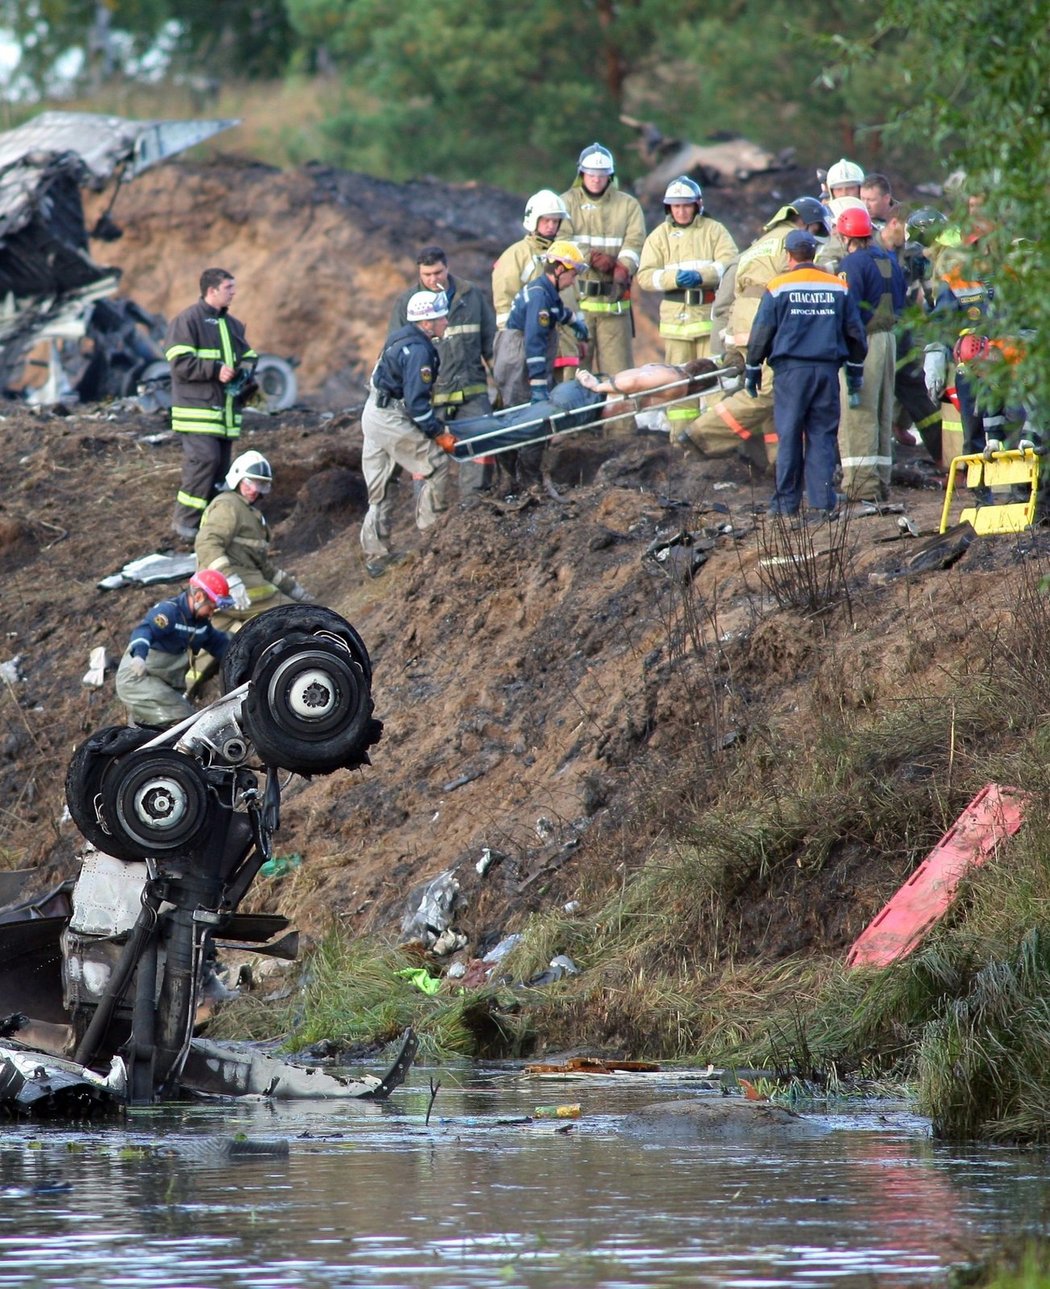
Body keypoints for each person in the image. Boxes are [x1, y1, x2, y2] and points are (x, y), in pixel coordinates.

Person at [679, 197, 830, 471]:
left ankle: (779, 461)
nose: (816, 235)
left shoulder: (760, 243)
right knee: (767, 392)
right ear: (808, 222)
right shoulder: (794, 241)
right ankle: (701, 436)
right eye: (817, 228)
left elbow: (732, 288)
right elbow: (808, 276)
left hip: (745, 318)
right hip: (768, 317)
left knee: (778, 388)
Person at [744, 230, 868, 520]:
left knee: (788, 436)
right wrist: (855, 369)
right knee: (822, 436)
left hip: (791, 374)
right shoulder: (837, 286)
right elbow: (855, 332)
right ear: (813, 254)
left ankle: (786, 504)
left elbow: (762, 331)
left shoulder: (778, 287)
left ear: (788, 255)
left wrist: (752, 367)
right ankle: (821, 503)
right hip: (826, 371)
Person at [442, 358, 726, 461]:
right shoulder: (677, 382)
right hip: (587, 400)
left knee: (512, 420)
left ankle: (454, 435)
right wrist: (599, 386)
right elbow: (634, 381)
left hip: (578, 395)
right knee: (517, 430)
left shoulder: (670, 368)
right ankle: (455, 440)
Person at [388, 245, 496, 499]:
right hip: (429, 395)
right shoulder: (406, 303)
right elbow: (395, 352)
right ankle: (429, 516)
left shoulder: (471, 296)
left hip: (471, 390)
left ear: (447, 268)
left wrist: (502, 386)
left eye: (437, 272)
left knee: (480, 446)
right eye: (426, 275)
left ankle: (476, 508)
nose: (432, 279)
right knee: (424, 454)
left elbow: (491, 345)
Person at [635, 176, 738, 438]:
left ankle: (718, 440)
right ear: (668, 208)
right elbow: (645, 276)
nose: (681, 211)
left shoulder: (714, 230)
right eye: (676, 206)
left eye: (686, 205)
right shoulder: (659, 237)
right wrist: (673, 279)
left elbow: (731, 263)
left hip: (708, 321)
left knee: (715, 381)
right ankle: (680, 440)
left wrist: (703, 276)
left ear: (697, 205)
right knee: (678, 386)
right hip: (676, 324)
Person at [359, 290, 452, 577]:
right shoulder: (420, 351)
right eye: (441, 317)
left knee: (381, 487)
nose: (446, 322)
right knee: (437, 464)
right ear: (426, 323)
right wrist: (438, 433)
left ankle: (376, 556)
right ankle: (432, 536)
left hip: (373, 410)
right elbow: (417, 405)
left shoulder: (399, 336)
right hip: (390, 416)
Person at [165, 268, 257, 541]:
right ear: (212, 290)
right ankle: (185, 524)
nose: (234, 292)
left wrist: (246, 373)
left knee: (220, 471)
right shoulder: (187, 321)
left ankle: (211, 525)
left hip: (225, 413)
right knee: (204, 460)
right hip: (197, 412)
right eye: (229, 287)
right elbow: (179, 362)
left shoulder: (233, 325)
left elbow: (250, 356)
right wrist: (215, 369)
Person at [491, 240, 588, 491]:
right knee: (530, 420)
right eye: (572, 274)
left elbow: (556, 310)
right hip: (519, 360)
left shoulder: (544, 291)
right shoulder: (539, 297)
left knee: (527, 416)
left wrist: (573, 320)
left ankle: (518, 476)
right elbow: (534, 342)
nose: (573, 280)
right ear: (559, 270)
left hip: (516, 355)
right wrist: (537, 384)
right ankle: (524, 481)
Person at [560, 142, 646, 395]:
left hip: (614, 303)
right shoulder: (566, 203)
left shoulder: (628, 205)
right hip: (578, 304)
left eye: (601, 175)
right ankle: (576, 431)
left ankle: (621, 430)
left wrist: (624, 267)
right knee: (576, 373)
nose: (596, 179)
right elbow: (562, 240)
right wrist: (595, 258)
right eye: (591, 174)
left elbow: (635, 242)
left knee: (618, 373)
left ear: (610, 175)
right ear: (581, 174)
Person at [836, 205, 908, 505]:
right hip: (889, 339)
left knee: (859, 412)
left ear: (844, 236)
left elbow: (847, 308)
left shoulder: (851, 264)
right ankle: (880, 481)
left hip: (864, 343)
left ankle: (861, 486)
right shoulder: (889, 259)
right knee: (882, 411)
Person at [195, 450, 312, 630]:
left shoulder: (250, 514)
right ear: (237, 479)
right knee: (295, 614)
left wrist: (295, 590)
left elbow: (262, 565)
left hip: (239, 588)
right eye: (250, 483)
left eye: (261, 485)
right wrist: (231, 581)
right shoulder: (228, 505)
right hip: (232, 589)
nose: (255, 490)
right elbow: (206, 543)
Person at [115, 570, 234, 728]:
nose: (213, 612)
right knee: (185, 719)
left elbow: (218, 644)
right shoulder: (169, 612)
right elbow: (144, 631)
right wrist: (139, 656)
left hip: (164, 683)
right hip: (138, 678)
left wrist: (239, 653)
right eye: (211, 606)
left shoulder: (201, 625)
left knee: (149, 730)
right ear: (198, 597)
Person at [492, 190, 583, 387]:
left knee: (567, 403)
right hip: (531, 347)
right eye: (546, 220)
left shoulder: (565, 254)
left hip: (565, 346)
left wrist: (578, 338)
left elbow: (574, 298)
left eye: (555, 221)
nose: (551, 226)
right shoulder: (515, 256)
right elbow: (504, 304)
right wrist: (513, 347)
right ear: (533, 220)